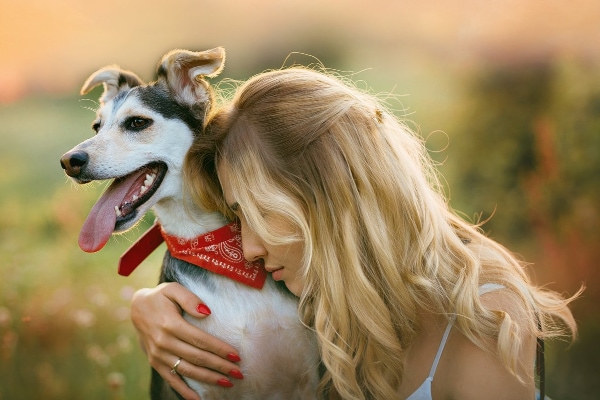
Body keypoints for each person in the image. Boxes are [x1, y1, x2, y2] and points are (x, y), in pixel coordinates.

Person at [131, 67, 581, 400]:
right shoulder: (326, 299)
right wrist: (152, 303)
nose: (248, 248)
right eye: (237, 218)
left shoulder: (484, 314)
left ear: (333, 194)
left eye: (260, 213)